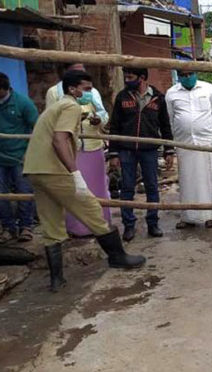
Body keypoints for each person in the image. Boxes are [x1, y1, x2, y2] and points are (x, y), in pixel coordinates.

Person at [23, 70, 145, 292]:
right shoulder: (70, 106)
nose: (89, 93)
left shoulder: (54, 107)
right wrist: (74, 173)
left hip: (35, 170)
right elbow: (60, 140)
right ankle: (118, 257)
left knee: (51, 222)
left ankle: (57, 279)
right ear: (72, 89)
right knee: (90, 208)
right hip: (54, 170)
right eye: (86, 89)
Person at [46, 63, 112, 237]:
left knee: (97, 188)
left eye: (82, 70)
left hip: (92, 144)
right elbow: (51, 118)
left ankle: (100, 226)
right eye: (76, 69)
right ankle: (77, 229)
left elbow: (103, 114)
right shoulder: (54, 93)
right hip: (69, 147)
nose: (80, 73)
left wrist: (99, 120)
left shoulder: (92, 91)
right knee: (73, 189)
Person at [109, 68, 174, 242]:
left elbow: (165, 125)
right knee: (127, 188)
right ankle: (129, 225)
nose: (127, 80)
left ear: (142, 78)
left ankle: (153, 223)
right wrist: (113, 153)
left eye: (130, 77)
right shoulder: (122, 97)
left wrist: (169, 150)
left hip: (150, 150)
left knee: (152, 187)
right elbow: (114, 126)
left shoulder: (158, 98)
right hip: (126, 150)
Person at [166, 70, 212, 229]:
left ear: (195, 73)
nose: (187, 77)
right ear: (179, 76)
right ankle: (187, 217)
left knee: (208, 178)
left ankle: (211, 215)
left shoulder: (208, 89)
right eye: (184, 75)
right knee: (186, 178)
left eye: (190, 73)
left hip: (205, 141)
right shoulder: (172, 93)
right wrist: (172, 144)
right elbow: (170, 119)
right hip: (183, 142)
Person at [0, 73, 38, 243]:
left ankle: (26, 227)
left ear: (4, 89)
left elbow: (37, 129)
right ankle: (8, 227)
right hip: (0, 158)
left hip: (20, 156)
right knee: (2, 195)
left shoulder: (23, 103)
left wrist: (29, 152)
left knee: (24, 192)